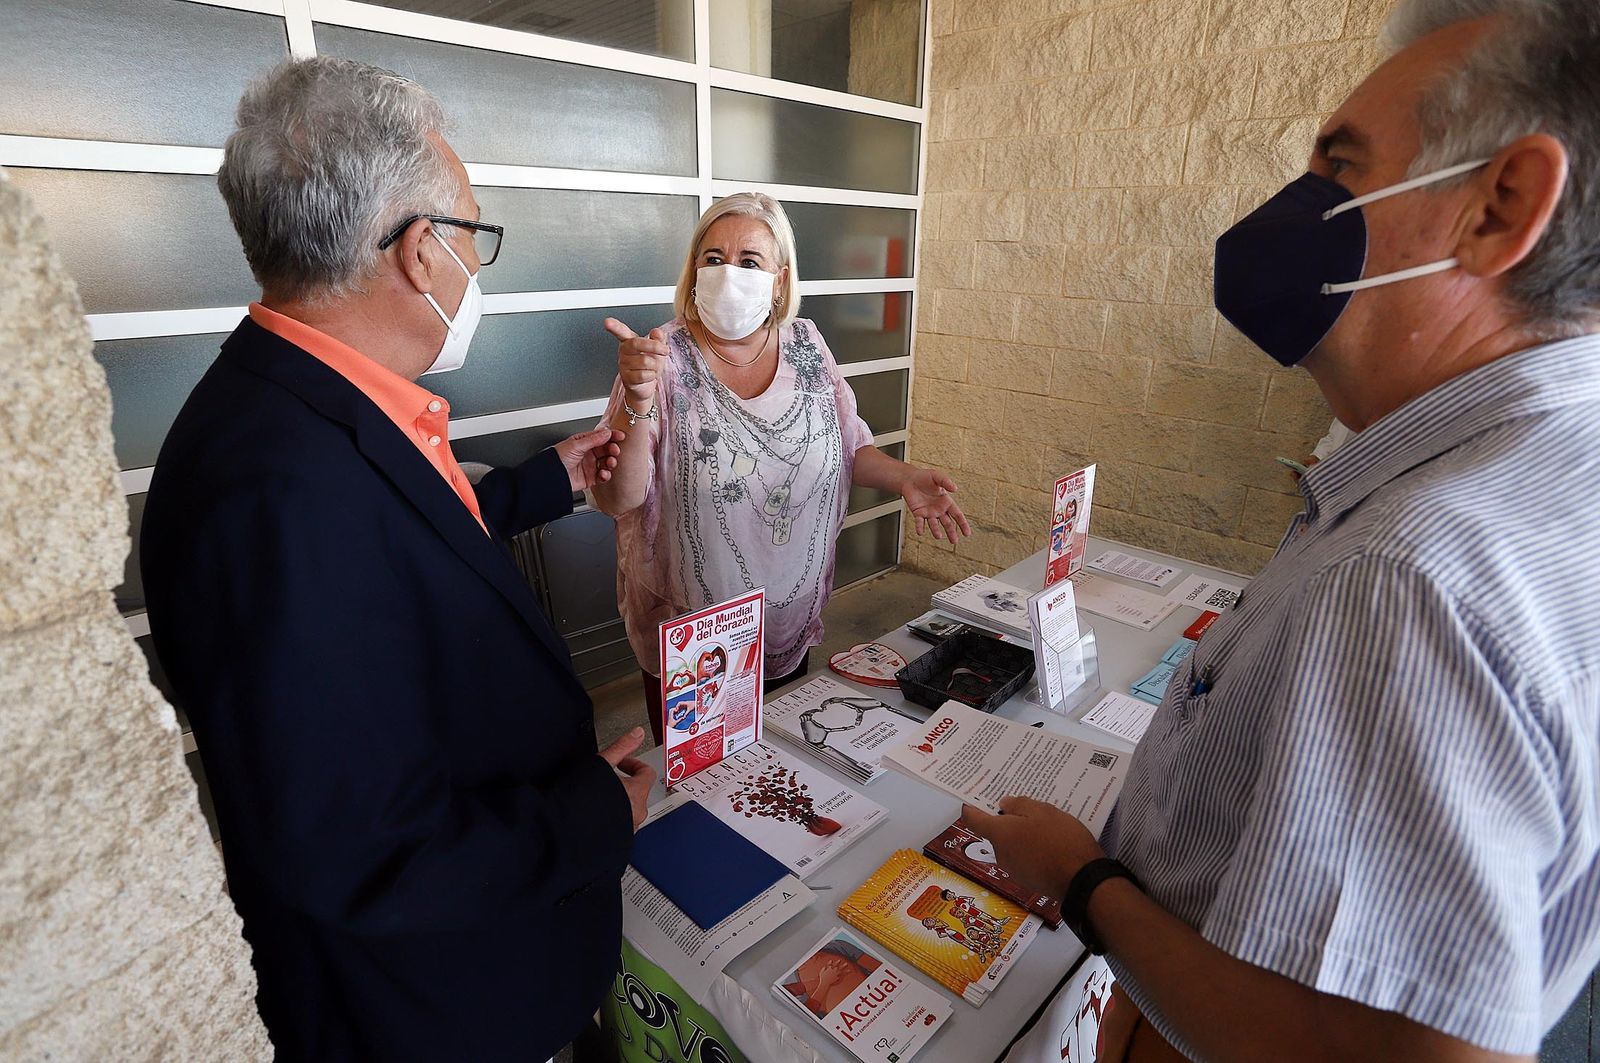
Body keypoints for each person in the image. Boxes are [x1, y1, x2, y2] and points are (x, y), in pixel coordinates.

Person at [967, 1, 1600, 1059]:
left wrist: (1083, 881)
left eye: (1338, 167)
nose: (1290, 207)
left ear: (1499, 207)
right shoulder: (1550, 472)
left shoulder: (1413, 570)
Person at [140, 58, 654, 1062]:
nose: (473, 265)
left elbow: (395, 548)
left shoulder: (299, 400)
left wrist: (542, 481)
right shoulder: (275, 496)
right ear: (423, 253)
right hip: (433, 1012)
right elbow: (366, 852)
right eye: (473, 236)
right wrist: (592, 813)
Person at [591, 193, 971, 741]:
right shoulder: (658, 356)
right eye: (713, 258)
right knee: (709, 786)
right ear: (693, 269)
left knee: (787, 761)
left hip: (787, 616)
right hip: (696, 639)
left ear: (779, 278)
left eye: (750, 261)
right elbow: (620, 498)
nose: (728, 273)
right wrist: (636, 397)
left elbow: (849, 446)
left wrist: (905, 477)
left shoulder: (807, 346)